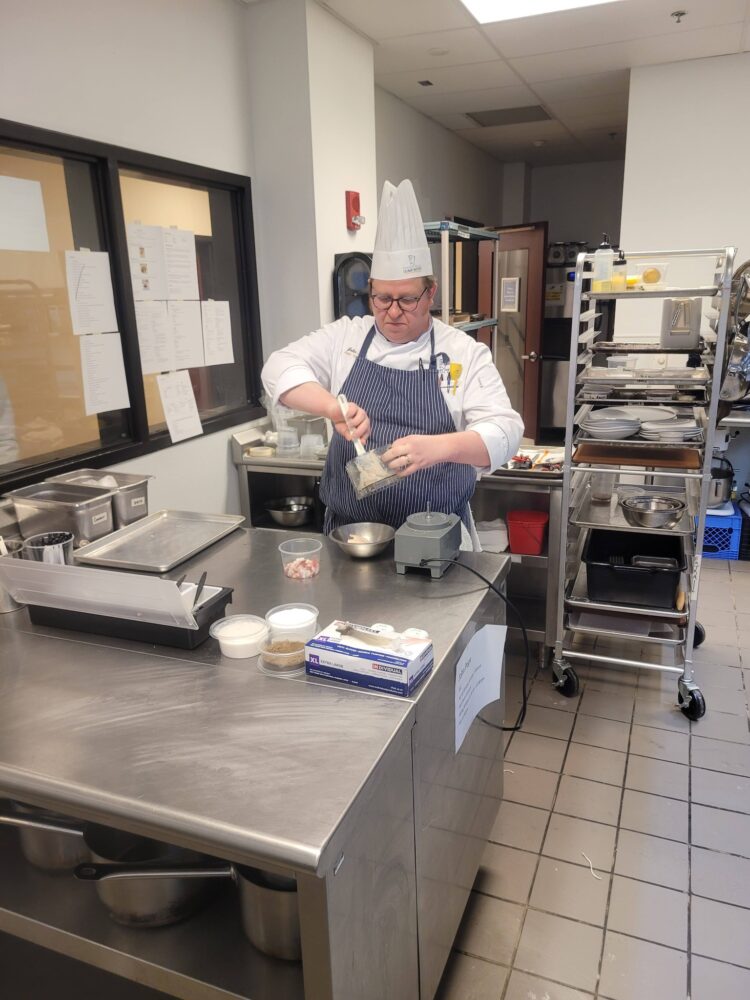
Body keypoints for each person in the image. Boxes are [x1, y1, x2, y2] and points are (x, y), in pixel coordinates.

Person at [261, 179, 523, 549]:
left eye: (407, 300)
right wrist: (332, 408)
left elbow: (507, 431)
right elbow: (277, 368)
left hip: (437, 540)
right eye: (382, 299)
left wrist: (439, 448)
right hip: (350, 539)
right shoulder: (347, 337)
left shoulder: (464, 352)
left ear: (430, 293)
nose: (393, 312)